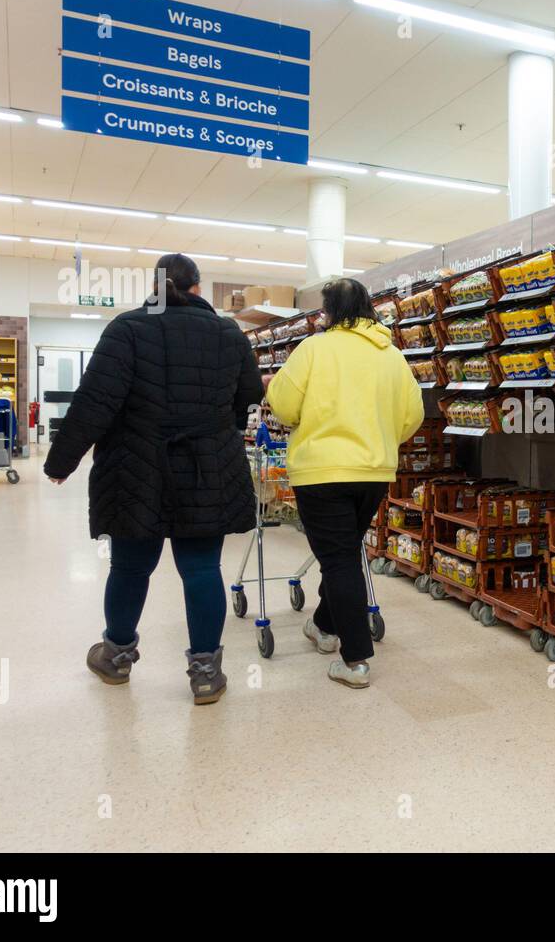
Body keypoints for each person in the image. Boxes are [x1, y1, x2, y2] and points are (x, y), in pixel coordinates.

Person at [44, 253, 264, 705]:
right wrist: (222, 428)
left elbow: (95, 401)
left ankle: (117, 658)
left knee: (129, 566)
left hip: (135, 467)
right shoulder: (228, 333)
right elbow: (250, 394)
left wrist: (60, 462)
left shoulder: (127, 329)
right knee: (202, 569)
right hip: (206, 469)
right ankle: (205, 673)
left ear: (155, 286)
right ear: (198, 288)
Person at [266, 277, 424, 688]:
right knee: (343, 554)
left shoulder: (314, 349)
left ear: (330, 311)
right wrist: (381, 437)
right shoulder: (391, 355)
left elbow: (282, 405)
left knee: (338, 559)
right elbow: (412, 416)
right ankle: (324, 625)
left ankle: (355, 660)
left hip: (321, 472)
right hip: (373, 472)